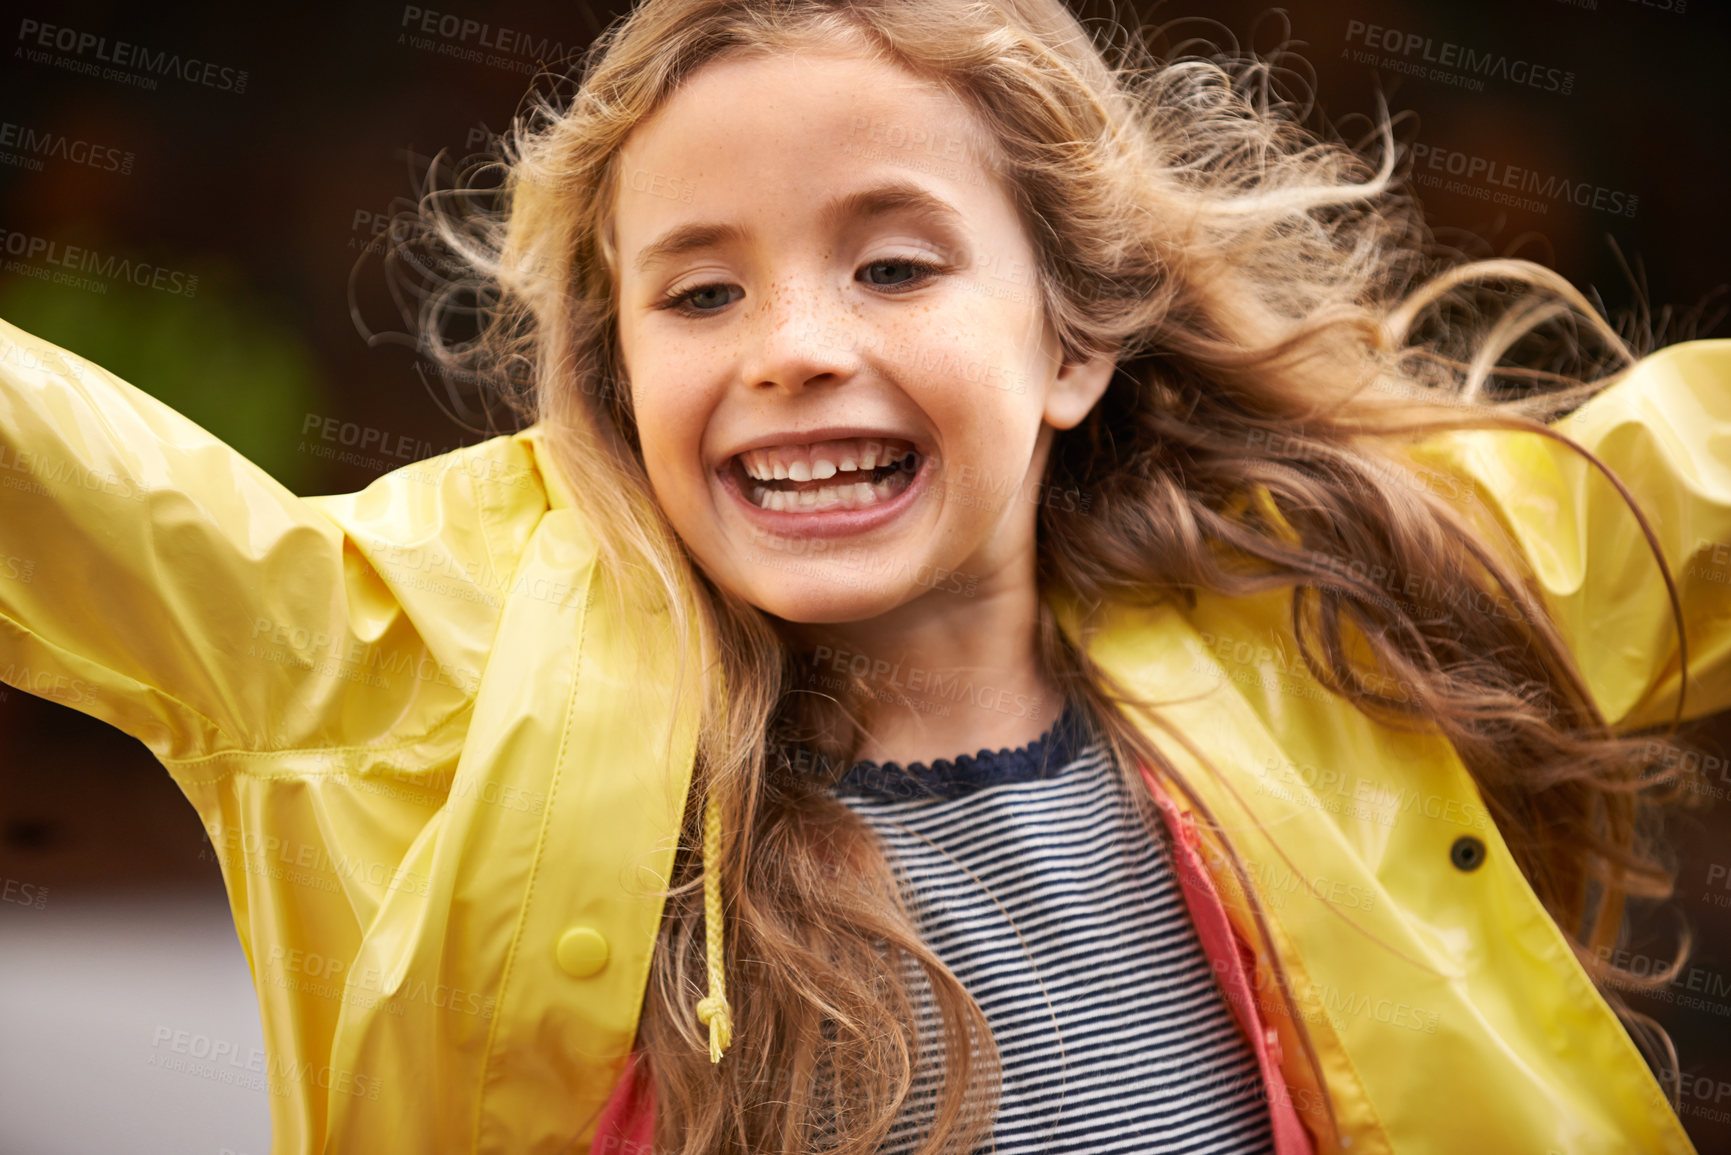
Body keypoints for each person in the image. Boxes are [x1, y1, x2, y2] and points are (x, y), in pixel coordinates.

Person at [2, 0, 1727, 1151]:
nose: (794, 349)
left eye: (894, 264)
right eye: (699, 294)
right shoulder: (431, 676)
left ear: (1070, 344)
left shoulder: (1322, 603)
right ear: (619, 378)